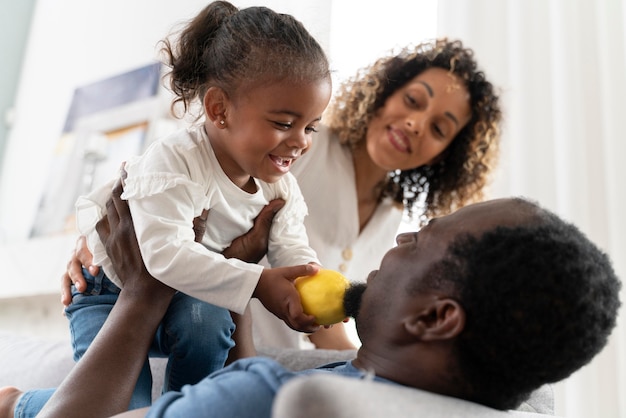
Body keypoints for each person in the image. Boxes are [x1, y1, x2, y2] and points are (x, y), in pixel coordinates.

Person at [2, 181, 620, 418]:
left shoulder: (275, 403)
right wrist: (233, 280)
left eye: (425, 239)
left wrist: (143, 290)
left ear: (434, 317)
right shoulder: (517, 401)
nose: (404, 236)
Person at [63, 38, 503, 352]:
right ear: (385, 94)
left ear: (449, 153)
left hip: (261, 357)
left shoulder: (395, 219)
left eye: (439, 127)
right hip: (202, 336)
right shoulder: (299, 145)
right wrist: (92, 237)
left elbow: (319, 307)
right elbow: (182, 162)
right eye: (413, 100)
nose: (415, 123)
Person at [19, 1, 332, 414]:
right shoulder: (175, 162)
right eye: (283, 123)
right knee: (119, 409)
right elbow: (163, 257)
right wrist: (259, 282)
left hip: (189, 296)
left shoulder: (282, 190)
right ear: (219, 109)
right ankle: (19, 404)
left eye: (310, 127)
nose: (302, 141)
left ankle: (183, 408)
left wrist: (302, 287)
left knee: (209, 322)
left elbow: (291, 250)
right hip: (109, 291)